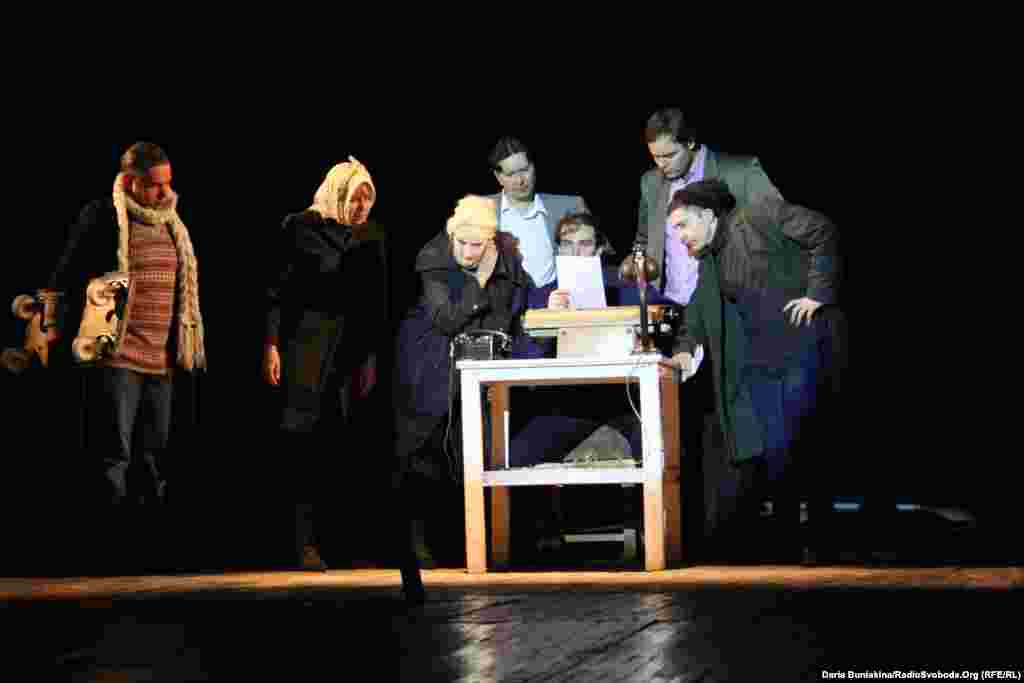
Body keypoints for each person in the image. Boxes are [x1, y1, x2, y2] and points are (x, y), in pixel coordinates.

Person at [261, 157, 421, 600]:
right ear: (338, 194)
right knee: (303, 444)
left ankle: (350, 544)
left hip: (352, 350)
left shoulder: (371, 234)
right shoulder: (300, 227)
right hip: (307, 346)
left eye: (368, 198)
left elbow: (377, 302)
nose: (362, 206)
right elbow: (275, 290)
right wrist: (270, 344)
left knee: (350, 447)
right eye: (355, 198)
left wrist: (370, 357)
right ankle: (304, 543)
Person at [630, 107, 786, 561]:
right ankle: (702, 530)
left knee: (739, 407)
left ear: (691, 144)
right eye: (655, 157)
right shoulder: (650, 183)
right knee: (692, 424)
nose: (662, 165)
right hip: (680, 308)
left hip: (736, 304)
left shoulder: (739, 170)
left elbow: (776, 226)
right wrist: (639, 264)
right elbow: (644, 239)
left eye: (669, 155)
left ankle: (758, 527)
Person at [666, 178, 841, 564]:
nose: (680, 237)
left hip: (805, 346)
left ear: (707, 216)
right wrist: (684, 351)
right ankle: (789, 546)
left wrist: (817, 293)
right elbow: (697, 312)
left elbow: (823, 230)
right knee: (778, 453)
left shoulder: (759, 215)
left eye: (682, 225)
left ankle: (822, 543)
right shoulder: (711, 259)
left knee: (807, 445)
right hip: (767, 360)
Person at [47, 141, 206, 506]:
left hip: (162, 359)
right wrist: (54, 322)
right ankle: (110, 528)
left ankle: (152, 528)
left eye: (168, 183)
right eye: (155, 185)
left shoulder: (173, 224)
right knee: (113, 454)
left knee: (156, 455)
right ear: (131, 181)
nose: (165, 192)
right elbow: (66, 273)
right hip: (117, 355)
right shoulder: (103, 215)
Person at [393, 195, 530, 566]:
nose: (469, 253)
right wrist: (480, 279)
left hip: (482, 358)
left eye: (477, 246)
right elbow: (447, 319)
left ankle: (484, 544)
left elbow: (511, 310)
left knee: (480, 447)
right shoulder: (433, 258)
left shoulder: (506, 258)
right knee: (425, 447)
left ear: (490, 242)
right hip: (431, 360)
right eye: (463, 244)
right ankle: (418, 545)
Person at [487, 136, 588, 288]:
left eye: (524, 170)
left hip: (557, 298)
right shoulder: (481, 209)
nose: (520, 180)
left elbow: (599, 254)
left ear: (534, 167)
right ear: (499, 177)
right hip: (502, 300)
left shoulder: (569, 207)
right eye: (511, 174)